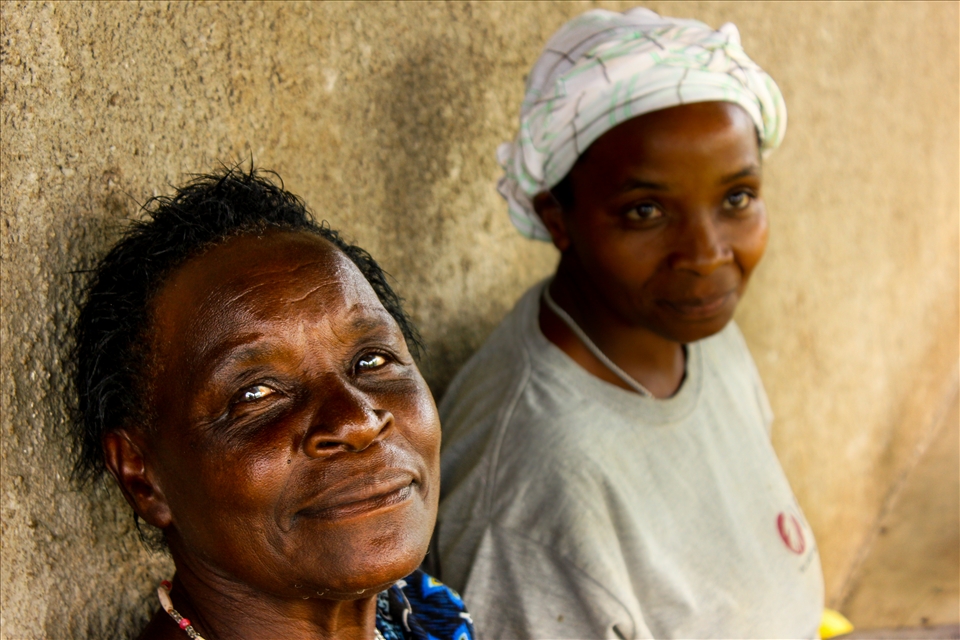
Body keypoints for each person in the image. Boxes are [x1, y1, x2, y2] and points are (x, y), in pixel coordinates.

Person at [433, 8, 824, 639]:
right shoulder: (534, 491)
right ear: (558, 218)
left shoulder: (696, 331)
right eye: (645, 210)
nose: (706, 254)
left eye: (736, 198)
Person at [70, 168, 475, 640]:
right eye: (256, 394)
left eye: (372, 359)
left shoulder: (421, 613)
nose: (358, 421)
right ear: (142, 477)